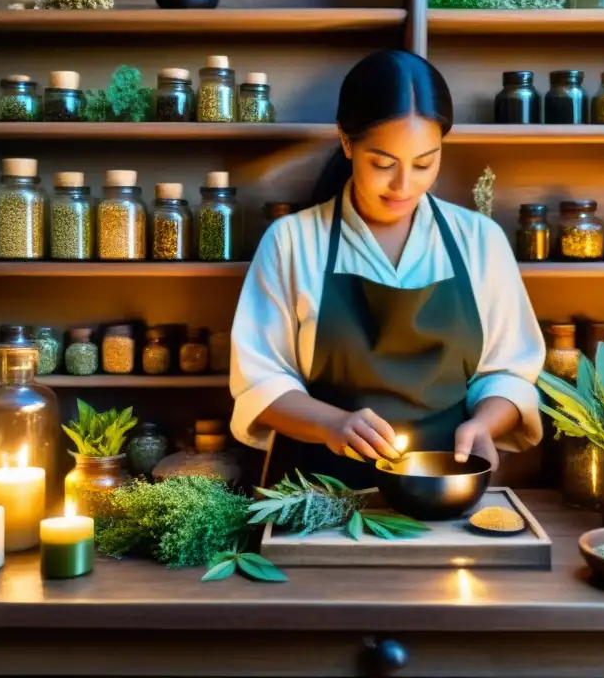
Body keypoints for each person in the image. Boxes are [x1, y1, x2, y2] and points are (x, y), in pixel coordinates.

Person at [230, 49, 545, 487]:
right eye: (383, 164)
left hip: (445, 485)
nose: (404, 185)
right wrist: (332, 424)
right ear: (346, 142)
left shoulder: (481, 241)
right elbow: (259, 383)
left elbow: (509, 372)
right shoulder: (291, 242)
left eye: (424, 163)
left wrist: (485, 424)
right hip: (320, 497)